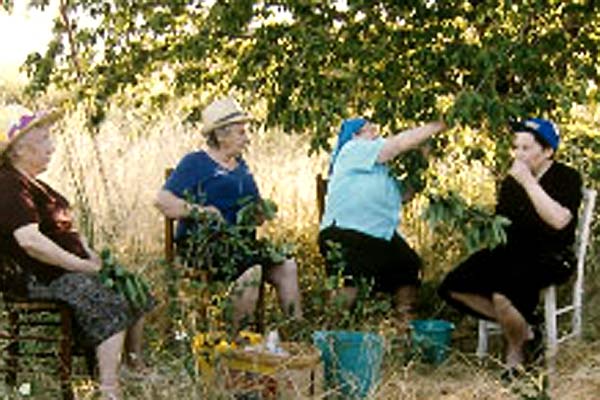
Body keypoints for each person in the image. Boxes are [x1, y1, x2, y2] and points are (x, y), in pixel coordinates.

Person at [0, 105, 154, 400]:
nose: (52, 146)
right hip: (38, 277)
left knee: (134, 289)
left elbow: (67, 230)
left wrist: (92, 257)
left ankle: (132, 364)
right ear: (19, 148)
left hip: (62, 269)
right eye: (44, 139)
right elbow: (30, 241)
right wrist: (81, 266)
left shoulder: (38, 185)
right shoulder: (8, 184)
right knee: (108, 300)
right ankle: (109, 388)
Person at [438, 118, 583, 372]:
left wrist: (528, 182)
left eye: (526, 149)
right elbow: (503, 225)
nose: (518, 155)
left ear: (548, 151)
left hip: (552, 256)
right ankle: (525, 329)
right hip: (513, 251)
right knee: (452, 286)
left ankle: (515, 355)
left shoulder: (566, 177)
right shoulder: (510, 182)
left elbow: (560, 221)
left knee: (503, 294)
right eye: (516, 148)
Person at [154, 97, 302, 331]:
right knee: (251, 270)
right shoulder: (195, 163)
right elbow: (162, 201)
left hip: (241, 243)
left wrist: (261, 211)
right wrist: (201, 212)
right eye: (241, 133)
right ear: (221, 135)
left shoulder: (241, 166)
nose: (247, 139)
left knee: (287, 265)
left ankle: (296, 333)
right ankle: (235, 339)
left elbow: (254, 204)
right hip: (205, 245)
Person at [318, 117, 446, 324]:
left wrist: (423, 158)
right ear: (354, 135)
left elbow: (405, 195)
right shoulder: (351, 150)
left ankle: (404, 325)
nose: (377, 135)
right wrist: (436, 126)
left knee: (408, 264)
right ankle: (331, 328)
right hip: (346, 231)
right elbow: (394, 146)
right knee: (353, 279)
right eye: (370, 130)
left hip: (378, 236)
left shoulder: (381, 170)